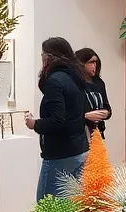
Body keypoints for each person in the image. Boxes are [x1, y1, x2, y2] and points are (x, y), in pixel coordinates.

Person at [25, 37, 89, 201]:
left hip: (60, 153)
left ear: (49, 57)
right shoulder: (76, 78)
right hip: (79, 149)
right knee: (70, 205)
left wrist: (35, 124)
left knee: (46, 205)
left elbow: (57, 120)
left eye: (42, 55)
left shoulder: (55, 81)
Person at [75, 47, 112, 139]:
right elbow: (70, 112)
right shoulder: (74, 83)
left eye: (96, 62)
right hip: (81, 132)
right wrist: (86, 116)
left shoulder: (99, 83)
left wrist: (106, 113)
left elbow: (107, 107)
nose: (94, 65)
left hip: (97, 131)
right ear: (81, 63)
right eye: (91, 62)